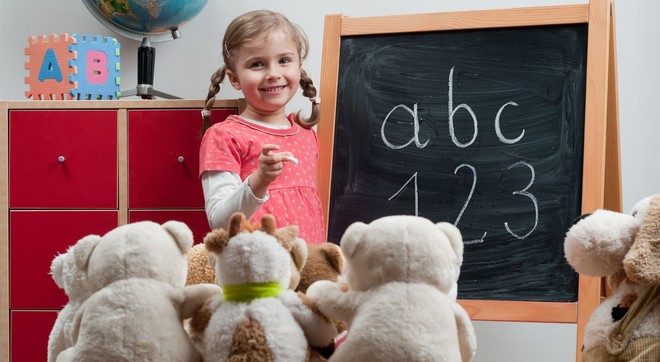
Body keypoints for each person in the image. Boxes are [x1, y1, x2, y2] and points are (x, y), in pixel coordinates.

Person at [198, 10, 325, 245]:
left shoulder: (306, 134)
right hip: (255, 271)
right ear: (234, 79)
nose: (273, 74)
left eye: (284, 60)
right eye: (257, 64)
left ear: (299, 66)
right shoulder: (224, 136)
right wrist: (260, 179)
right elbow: (220, 221)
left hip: (306, 266)